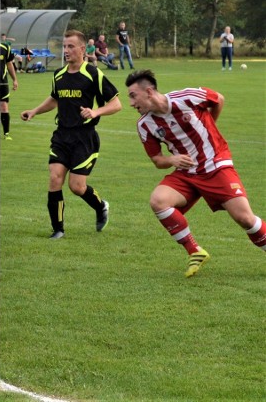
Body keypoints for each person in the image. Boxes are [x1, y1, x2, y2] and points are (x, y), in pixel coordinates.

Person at [124, 70, 266, 277]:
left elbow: (218, 99)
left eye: (133, 95)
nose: (130, 103)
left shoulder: (188, 97)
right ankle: (195, 251)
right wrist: (171, 160)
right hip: (187, 173)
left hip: (216, 166)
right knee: (159, 200)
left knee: (244, 218)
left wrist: (211, 128)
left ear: (149, 92)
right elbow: (157, 160)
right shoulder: (145, 125)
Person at [20, 30, 121, 239]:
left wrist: (95, 112)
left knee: (76, 187)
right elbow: (55, 99)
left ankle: (101, 206)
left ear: (83, 49)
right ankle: (58, 230)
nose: (66, 51)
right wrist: (34, 111)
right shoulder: (59, 75)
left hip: (85, 138)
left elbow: (116, 103)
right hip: (61, 136)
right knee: (55, 178)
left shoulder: (93, 74)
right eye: (64, 46)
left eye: (70, 46)